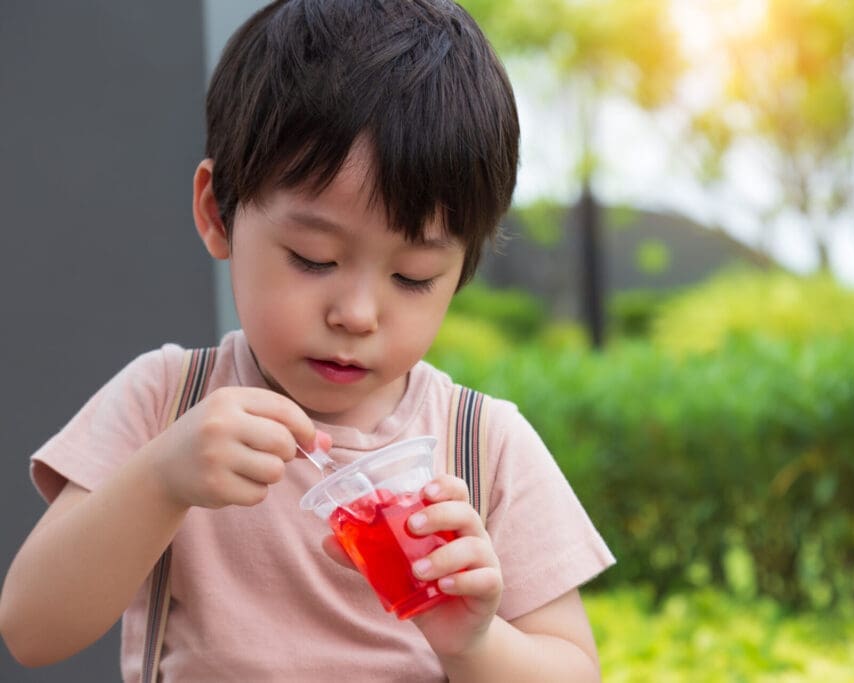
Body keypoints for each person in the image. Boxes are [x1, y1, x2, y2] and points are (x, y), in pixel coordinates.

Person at [0, 0, 614, 680]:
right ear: (217, 213)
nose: (356, 313)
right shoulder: (167, 404)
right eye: (314, 258)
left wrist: (472, 642)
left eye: (412, 276)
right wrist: (160, 479)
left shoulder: (483, 444)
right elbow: (32, 628)